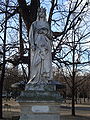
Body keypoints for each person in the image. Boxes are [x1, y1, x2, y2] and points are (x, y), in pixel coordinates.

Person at [28, 7, 53, 84]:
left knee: (45, 63)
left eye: (43, 12)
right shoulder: (34, 24)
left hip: (46, 46)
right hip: (37, 45)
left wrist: (45, 32)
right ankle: (35, 79)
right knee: (36, 63)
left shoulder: (46, 24)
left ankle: (44, 79)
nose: (41, 13)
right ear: (38, 13)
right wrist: (32, 44)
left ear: (45, 14)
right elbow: (31, 35)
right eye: (40, 12)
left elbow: (51, 36)